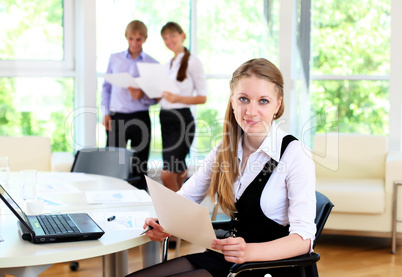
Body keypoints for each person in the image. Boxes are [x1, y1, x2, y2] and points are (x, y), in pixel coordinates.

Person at [127, 58, 316, 277]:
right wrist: (164, 222)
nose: (251, 111)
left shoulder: (295, 154)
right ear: (233, 102)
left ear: (278, 104)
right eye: (243, 99)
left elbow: (304, 239)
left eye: (263, 101)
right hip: (226, 257)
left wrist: (250, 251)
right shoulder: (226, 147)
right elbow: (187, 197)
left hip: (265, 267)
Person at [101, 20, 158, 189]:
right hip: (116, 117)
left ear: (145, 39)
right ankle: (110, 200)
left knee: (139, 165)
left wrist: (142, 95)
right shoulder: (115, 59)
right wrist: (105, 113)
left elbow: (155, 97)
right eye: (131, 38)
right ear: (126, 37)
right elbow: (106, 88)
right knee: (113, 163)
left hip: (140, 117)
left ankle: (139, 203)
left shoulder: (152, 63)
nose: (134, 43)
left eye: (138, 39)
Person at [159, 22, 207, 193]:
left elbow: (202, 97)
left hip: (181, 121)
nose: (169, 40)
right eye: (165, 38)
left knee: (167, 175)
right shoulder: (167, 64)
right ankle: (185, 215)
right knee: (179, 173)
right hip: (165, 120)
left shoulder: (193, 62)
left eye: (172, 35)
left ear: (182, 36)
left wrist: (177, 98)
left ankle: (176, 214)